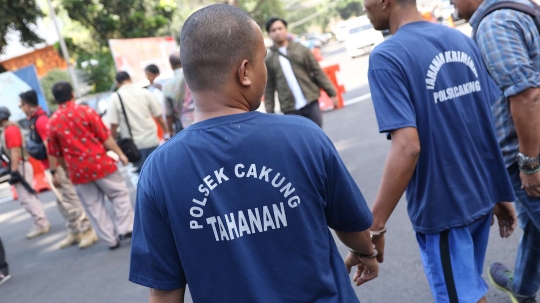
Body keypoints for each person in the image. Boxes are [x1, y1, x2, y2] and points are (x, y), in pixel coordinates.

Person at [129, 4, 378, 303]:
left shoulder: (159, 170)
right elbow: (352, 225)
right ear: (245, 72)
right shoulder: (303, 137)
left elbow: (165, 291)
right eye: (262, 61)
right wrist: (366, 252)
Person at [363, 0, 519, 302]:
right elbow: (481, 123)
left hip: (444, 208)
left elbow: (408, 146)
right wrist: (497, 190)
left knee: (463, 295)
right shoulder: (459, 40)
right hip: (478, 199)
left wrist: (375, 226)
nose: (363, 7)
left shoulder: (387, 56)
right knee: (469, 289)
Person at [454, 0, 540, 301]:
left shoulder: (494, 25)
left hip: (527, 156)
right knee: (533, 226)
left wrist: (529, 165)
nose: (450, 2)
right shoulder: (520, 9)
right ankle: (524, 288)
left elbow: (527, 96)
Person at [47, 82, 135, 249]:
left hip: (78, 172)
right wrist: (120, 154)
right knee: (119, 194)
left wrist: (63, 171)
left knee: (94, 206)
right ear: (72, 94)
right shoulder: (86, 111)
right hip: (100, 164)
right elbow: (105, 137)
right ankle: (126, 228)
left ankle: (111, 240)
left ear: (55, 99)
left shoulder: (53, 122)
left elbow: (55, 153)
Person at [19, 90, 98, 249]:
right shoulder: (37, 119)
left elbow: (51, 148)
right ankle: (75, 231)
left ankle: (87, 230)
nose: (21, 108)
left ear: (27, 105)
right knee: (62, 202)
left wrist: (55, 171)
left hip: (54, 167)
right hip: (50, 167)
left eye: (21, 105)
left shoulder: (40, 121)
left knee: (70, 199)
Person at [264, 17, 337, 128]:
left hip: (310, 101)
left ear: (286, 29)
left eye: (280, 28)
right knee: (299, 141)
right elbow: (269, 88)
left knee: (317, 134)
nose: (277, 32)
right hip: (289, 109)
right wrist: (270, 113)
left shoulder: (301, 49)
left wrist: (332, 93)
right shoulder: (269, 59)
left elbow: (317, 72)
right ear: (269, 34)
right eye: (273, 30)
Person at [0, 106, 50, 239]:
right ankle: (41, 221)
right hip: (20, 164)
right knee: (28, 195)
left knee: (26, 197)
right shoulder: (9, 128)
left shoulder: (10, 130)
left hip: (20, 165)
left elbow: (15, 150)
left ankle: (41, 223)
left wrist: (14, 170)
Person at [108, 72, 170, 172]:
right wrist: (166, 132)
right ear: (130, 79)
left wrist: (113, 146)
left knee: (144, 176)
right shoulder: (144, 92)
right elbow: (159, 115)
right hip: (152, 139)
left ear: (117, 83)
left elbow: (113, 125)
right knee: (160, 171)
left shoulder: (115, 97)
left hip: (134, 146)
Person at [162, 54, 194, 134]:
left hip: (185, 125)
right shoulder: (196, 76)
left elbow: (168, 113)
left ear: (171, 66)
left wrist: (170, 131)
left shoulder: (168, 85)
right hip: (205, 120)